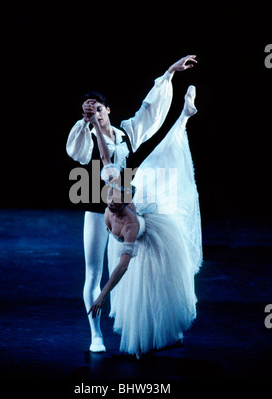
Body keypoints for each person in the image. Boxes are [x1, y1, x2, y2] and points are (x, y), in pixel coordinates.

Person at [66, 55, 198, 353]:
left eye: (98, 109)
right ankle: (95, 334)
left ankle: (163, 325)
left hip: (128, 208)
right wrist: (85, 121)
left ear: (108, 109)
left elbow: (149, 111)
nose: (96, 114)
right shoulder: (87, 136)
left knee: (149, 266)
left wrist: (169, 74)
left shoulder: (126, 133)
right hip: (96, 208)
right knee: (92, 272)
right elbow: (79, 153)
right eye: (90, 110)